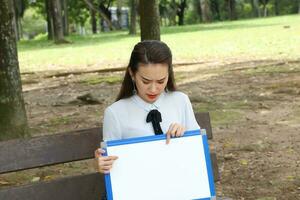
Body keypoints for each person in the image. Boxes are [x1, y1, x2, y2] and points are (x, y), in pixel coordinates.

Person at [95, 40, 200, 174]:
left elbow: (197, 152)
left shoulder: (181, 100)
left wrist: (186, 136)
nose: (153, 89)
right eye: (145, 81)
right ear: (132, 74)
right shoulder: (115, 113)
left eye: (161, 81)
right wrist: (103, 164)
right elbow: (112, 164)